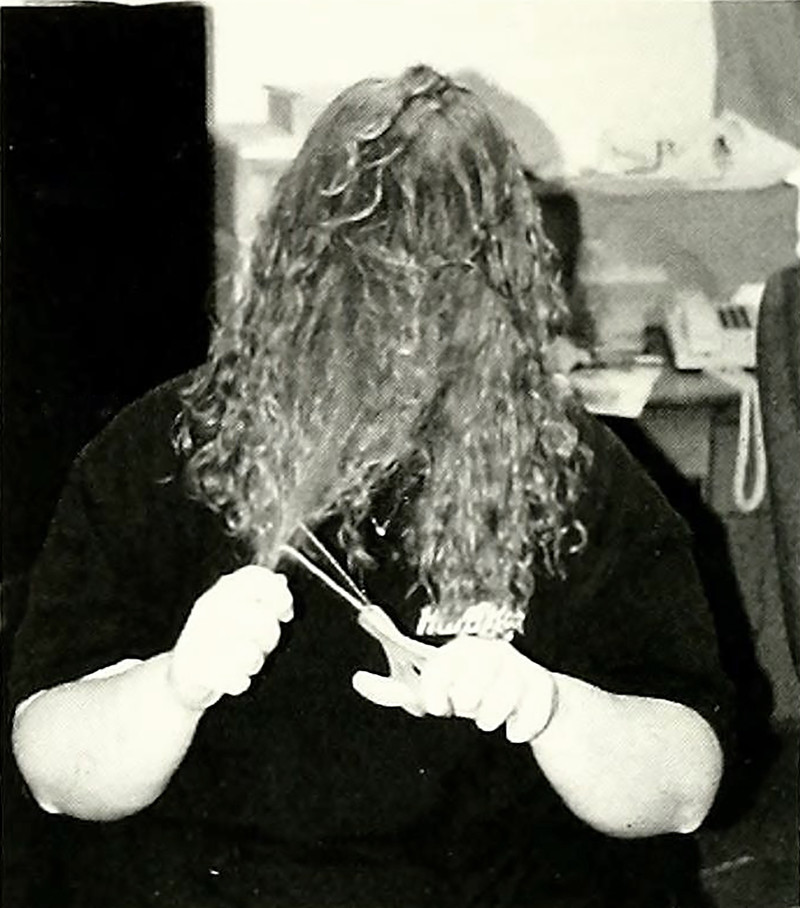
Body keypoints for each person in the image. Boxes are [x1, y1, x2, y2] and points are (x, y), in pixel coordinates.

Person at [10, 65, 731, 908]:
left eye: (441, 292)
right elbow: (54, 776)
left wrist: (547, 706)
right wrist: (173, 686)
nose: (400, 336)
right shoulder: (161, 454)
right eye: (368, 288)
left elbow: (684, 792)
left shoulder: (572, 470)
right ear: (297, 272)